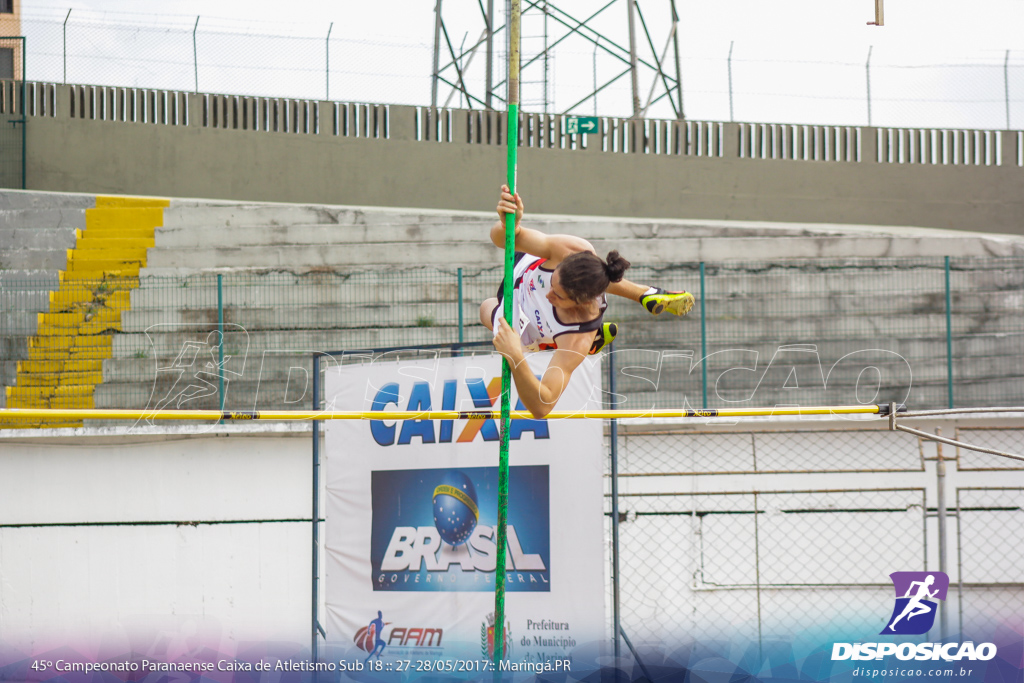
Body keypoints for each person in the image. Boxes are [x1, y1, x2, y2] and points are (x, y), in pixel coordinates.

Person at [480, 185, 694, 418]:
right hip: (522, 269)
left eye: (558, 296)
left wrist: (515, 357)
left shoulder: (576, 340)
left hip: (522, 321)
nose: (549, 295)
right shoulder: (573, 250)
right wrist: (510, 225)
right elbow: (500, 239)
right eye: (553, 283)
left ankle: (585, 335)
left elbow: (542, 406)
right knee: (593, 269)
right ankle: (642, 292)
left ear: (580, 303)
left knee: (485, 309)